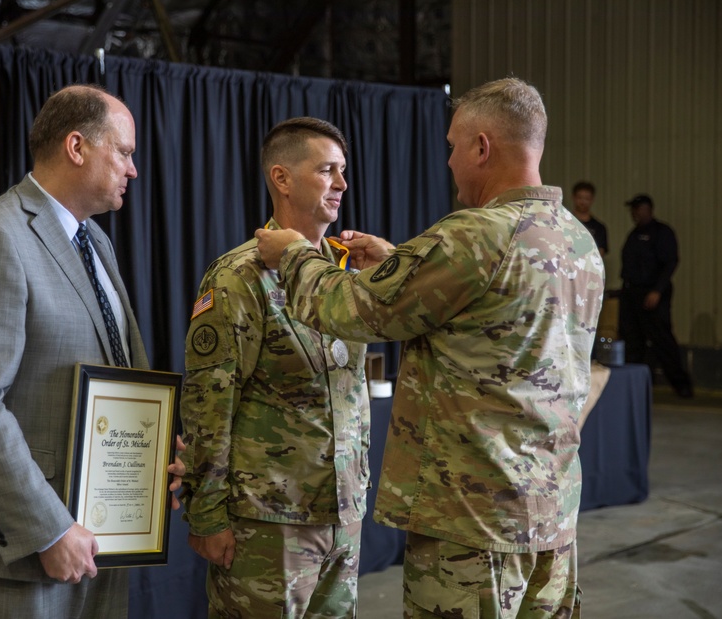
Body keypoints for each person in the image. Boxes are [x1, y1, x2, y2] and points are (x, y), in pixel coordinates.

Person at [256, 78, 604, 618]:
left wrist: (296, 255)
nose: (449, 161)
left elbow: (349, 309)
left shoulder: (474, 235)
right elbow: (489, 315)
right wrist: (399, 264)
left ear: (482, 147)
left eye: (453, 146)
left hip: (474, 526)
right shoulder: (576, 240)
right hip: (550, 519)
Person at [0, 84, 184, 619]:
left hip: (97, 538)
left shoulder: (96, 243)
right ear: (76, 147)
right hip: (17, 553)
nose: (133, 170)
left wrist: (154, 453)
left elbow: (114, 376)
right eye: (125, 151)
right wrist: (48, 528)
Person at [180, 117, 371, 618]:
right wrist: (207, 514)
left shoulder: (347, 272)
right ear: (282, 178)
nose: (342, 185)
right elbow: (209, 405)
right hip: (268, 522)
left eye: (343, 171)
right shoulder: (239, 276)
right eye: (327, 170)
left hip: (342, 516)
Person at [619, 194, 693, 398]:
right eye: (632, 209)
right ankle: (636, 387)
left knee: (662, 340)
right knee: (633, 342)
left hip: (652, 294)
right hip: (632, 294)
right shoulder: (634, 235)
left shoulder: (661, 233)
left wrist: (657, 291)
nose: (634, 213)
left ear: (648, 209)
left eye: (638, 209)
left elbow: (670, 263)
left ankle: (681, 385)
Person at [571, 181, 608, 256]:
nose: (583, 202)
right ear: (574, 198)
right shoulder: (564, 222)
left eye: (587, 198)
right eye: (580, 198)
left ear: (592, 200)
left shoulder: (599, 228)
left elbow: (600, 253)